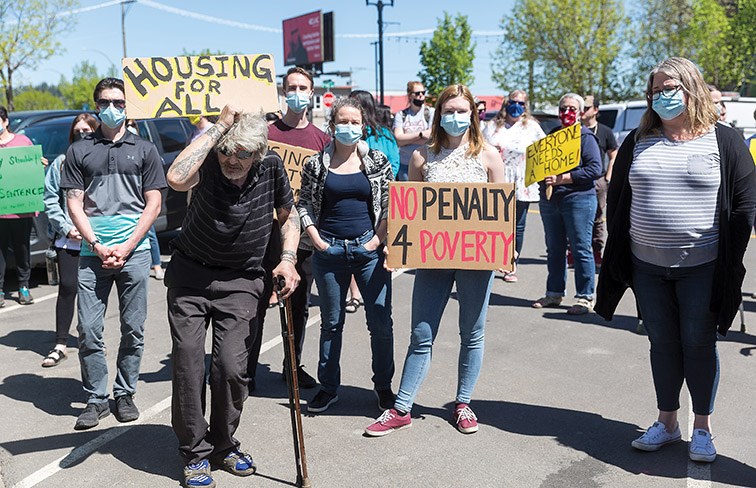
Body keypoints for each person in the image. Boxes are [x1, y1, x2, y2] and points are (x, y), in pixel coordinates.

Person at [596, 57, 756, 463]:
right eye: (655, 91)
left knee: (698, 343)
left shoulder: (725, 140)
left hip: (702, 267)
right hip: (647, 267)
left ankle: (701, 428)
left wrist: (729, 260)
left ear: (691, 88)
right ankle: (667, 422)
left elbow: (744, 205)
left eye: (670, 88)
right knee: (662, 344)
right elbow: (618, 199)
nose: (661, 97)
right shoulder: (638, 139)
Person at [165, 105, 300, 488]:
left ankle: (223, 445)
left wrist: (288, 259)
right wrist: (219, 129)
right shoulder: (208, 160)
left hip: (243, 280)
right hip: (190, 276)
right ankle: (194, 452)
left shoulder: (271, 167)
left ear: (258, 152)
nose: (231, 159)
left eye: (242, 152)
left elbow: (288, 215)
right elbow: (175, 178)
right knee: (189, 365)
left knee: (229, 368)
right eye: (227, 151)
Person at [365, 84, 505, 437]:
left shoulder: (489, 156)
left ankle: (463, 403)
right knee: (421, 334)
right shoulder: (421, 158)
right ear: (438, 114)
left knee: (472, 333)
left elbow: (502, 211)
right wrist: (397, 248)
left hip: (477, 259)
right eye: (449, 111)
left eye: (462, 111)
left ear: (473, 114)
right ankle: (401, 408)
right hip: (433, 259)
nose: (455, 117)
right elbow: (410, 211)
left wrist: (507, 251)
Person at [61, 77, 166, 430]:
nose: (112, 108)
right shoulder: (79, 151)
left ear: (127, 106)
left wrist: (128, 245)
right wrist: (96, 244)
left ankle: (124, 393)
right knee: (89, 329)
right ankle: (95, 398)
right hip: (93, 255)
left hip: (133, 254)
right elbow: (73, 202)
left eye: (119, 103)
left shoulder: (145, 149)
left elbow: (154, 202)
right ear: (96, 105)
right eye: (106, 102)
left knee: (132, 327)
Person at [298, 97, 395, 414]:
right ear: (332, 124)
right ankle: (328, 388)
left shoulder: (377, 162)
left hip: (368, 250)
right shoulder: (315, 165)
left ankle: (383, 387)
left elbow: (391, 203)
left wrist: (375, 242)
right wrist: (317, 240)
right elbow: (305, 205)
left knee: (380, 324)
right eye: (343, 121)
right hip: (328, 250)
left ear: (363, 126)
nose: (349, 127)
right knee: (331, 324)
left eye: (355, 122)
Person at [247, 67, 330, 391]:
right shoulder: (266, 134)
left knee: (298, 306)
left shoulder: (322, 140)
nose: (297, 92)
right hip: (261, 233)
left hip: (304, 238)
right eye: (291, 87)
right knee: (255, 302)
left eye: (303, 87)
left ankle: (292, 366)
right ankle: (247, 370)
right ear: (283, 93)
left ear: (311, 93)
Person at [531, 93, 602, 315]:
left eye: (572, 109)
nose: (567, 113)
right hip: (552, 200)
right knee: (554, 249)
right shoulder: (553, 135)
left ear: (581, 113)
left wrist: (564, 178)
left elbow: (594, 169)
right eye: (563, 108)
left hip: (578, 199)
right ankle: (554, 293)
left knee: (581, 248)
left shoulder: (585, 137)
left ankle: (584, 297)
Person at [41, 113, 99, 367]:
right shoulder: (62, 163)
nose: (83, 134)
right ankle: (61, 344)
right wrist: (66, 228)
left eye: (88, 130)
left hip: (98, 238)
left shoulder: (103, 160)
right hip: (69, 239)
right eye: (78, 131)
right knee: (67, 287)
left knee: (94, 292)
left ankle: (92, 341)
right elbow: (50, 198)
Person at [483, 89, 545, 283]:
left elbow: (545, 150)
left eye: (521, 103)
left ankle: (511, 262)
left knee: (517, 226)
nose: (516, 106)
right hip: (496, 180)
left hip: (521, 182)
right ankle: (493, 258)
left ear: (526, 107)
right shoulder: (493, 126)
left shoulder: (532, 127)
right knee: (494, 223)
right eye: (513, 102)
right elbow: (481, 148)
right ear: (506, 103)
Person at [0, 106, 36, 308]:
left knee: (23, 250)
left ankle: (24, 286)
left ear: (5, 122)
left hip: (21, 209)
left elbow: (31, 167)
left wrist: (38, 164)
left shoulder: (23, 142)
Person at [581, 95, 619, 268]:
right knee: (575, 216)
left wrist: (607, 177)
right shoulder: (575, 130)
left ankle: (596, 252)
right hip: (578, 179)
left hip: (598, 180)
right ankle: (574, 253)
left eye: (586, 107)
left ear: (595, 110)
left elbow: (613, 155)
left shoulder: (605, 131)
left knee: (596, 217)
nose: (583, 111)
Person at [350, 90, 400, 177]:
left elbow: (394, 162)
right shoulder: (346, 133)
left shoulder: (384, 134)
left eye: (353, 104)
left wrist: (383, 182)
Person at [393, 81, 434, 181]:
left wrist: (407, 139)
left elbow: (431, 137)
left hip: (426, 163)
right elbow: (398, 139)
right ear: (410, 95)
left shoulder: (431, 112)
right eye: (417, 93)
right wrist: (421, 135)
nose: (420, 96)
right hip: (405, 165)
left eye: (423, 93)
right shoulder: (401, 115)